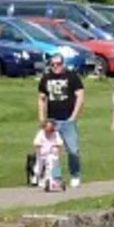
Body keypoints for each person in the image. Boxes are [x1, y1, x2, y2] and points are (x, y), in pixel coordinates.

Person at [38, 54, 85, 187]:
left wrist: (74, 116)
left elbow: (80, 95)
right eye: (53, 64)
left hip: (68, 119)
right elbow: (41, 98)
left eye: (58, 64)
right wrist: (42, 118)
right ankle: (55, 177)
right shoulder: (46, 78)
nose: (55, 67)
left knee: (73, 150)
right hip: (52, 120)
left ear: (63, 64)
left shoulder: (72, 76)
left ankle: (75, 175)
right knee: (52, 150)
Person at [32, 120, 64, 191]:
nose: (49, 131)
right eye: (47, 128)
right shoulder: (40, 133)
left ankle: (51, 180)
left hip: (52, 153)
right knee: (39, 166)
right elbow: (36, 144)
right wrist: (38, 153)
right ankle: (36, 176)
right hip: (42, 153)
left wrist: (58, 154)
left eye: (51, 128)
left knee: (51, 167)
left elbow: (60, 144)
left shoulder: (56, 134)